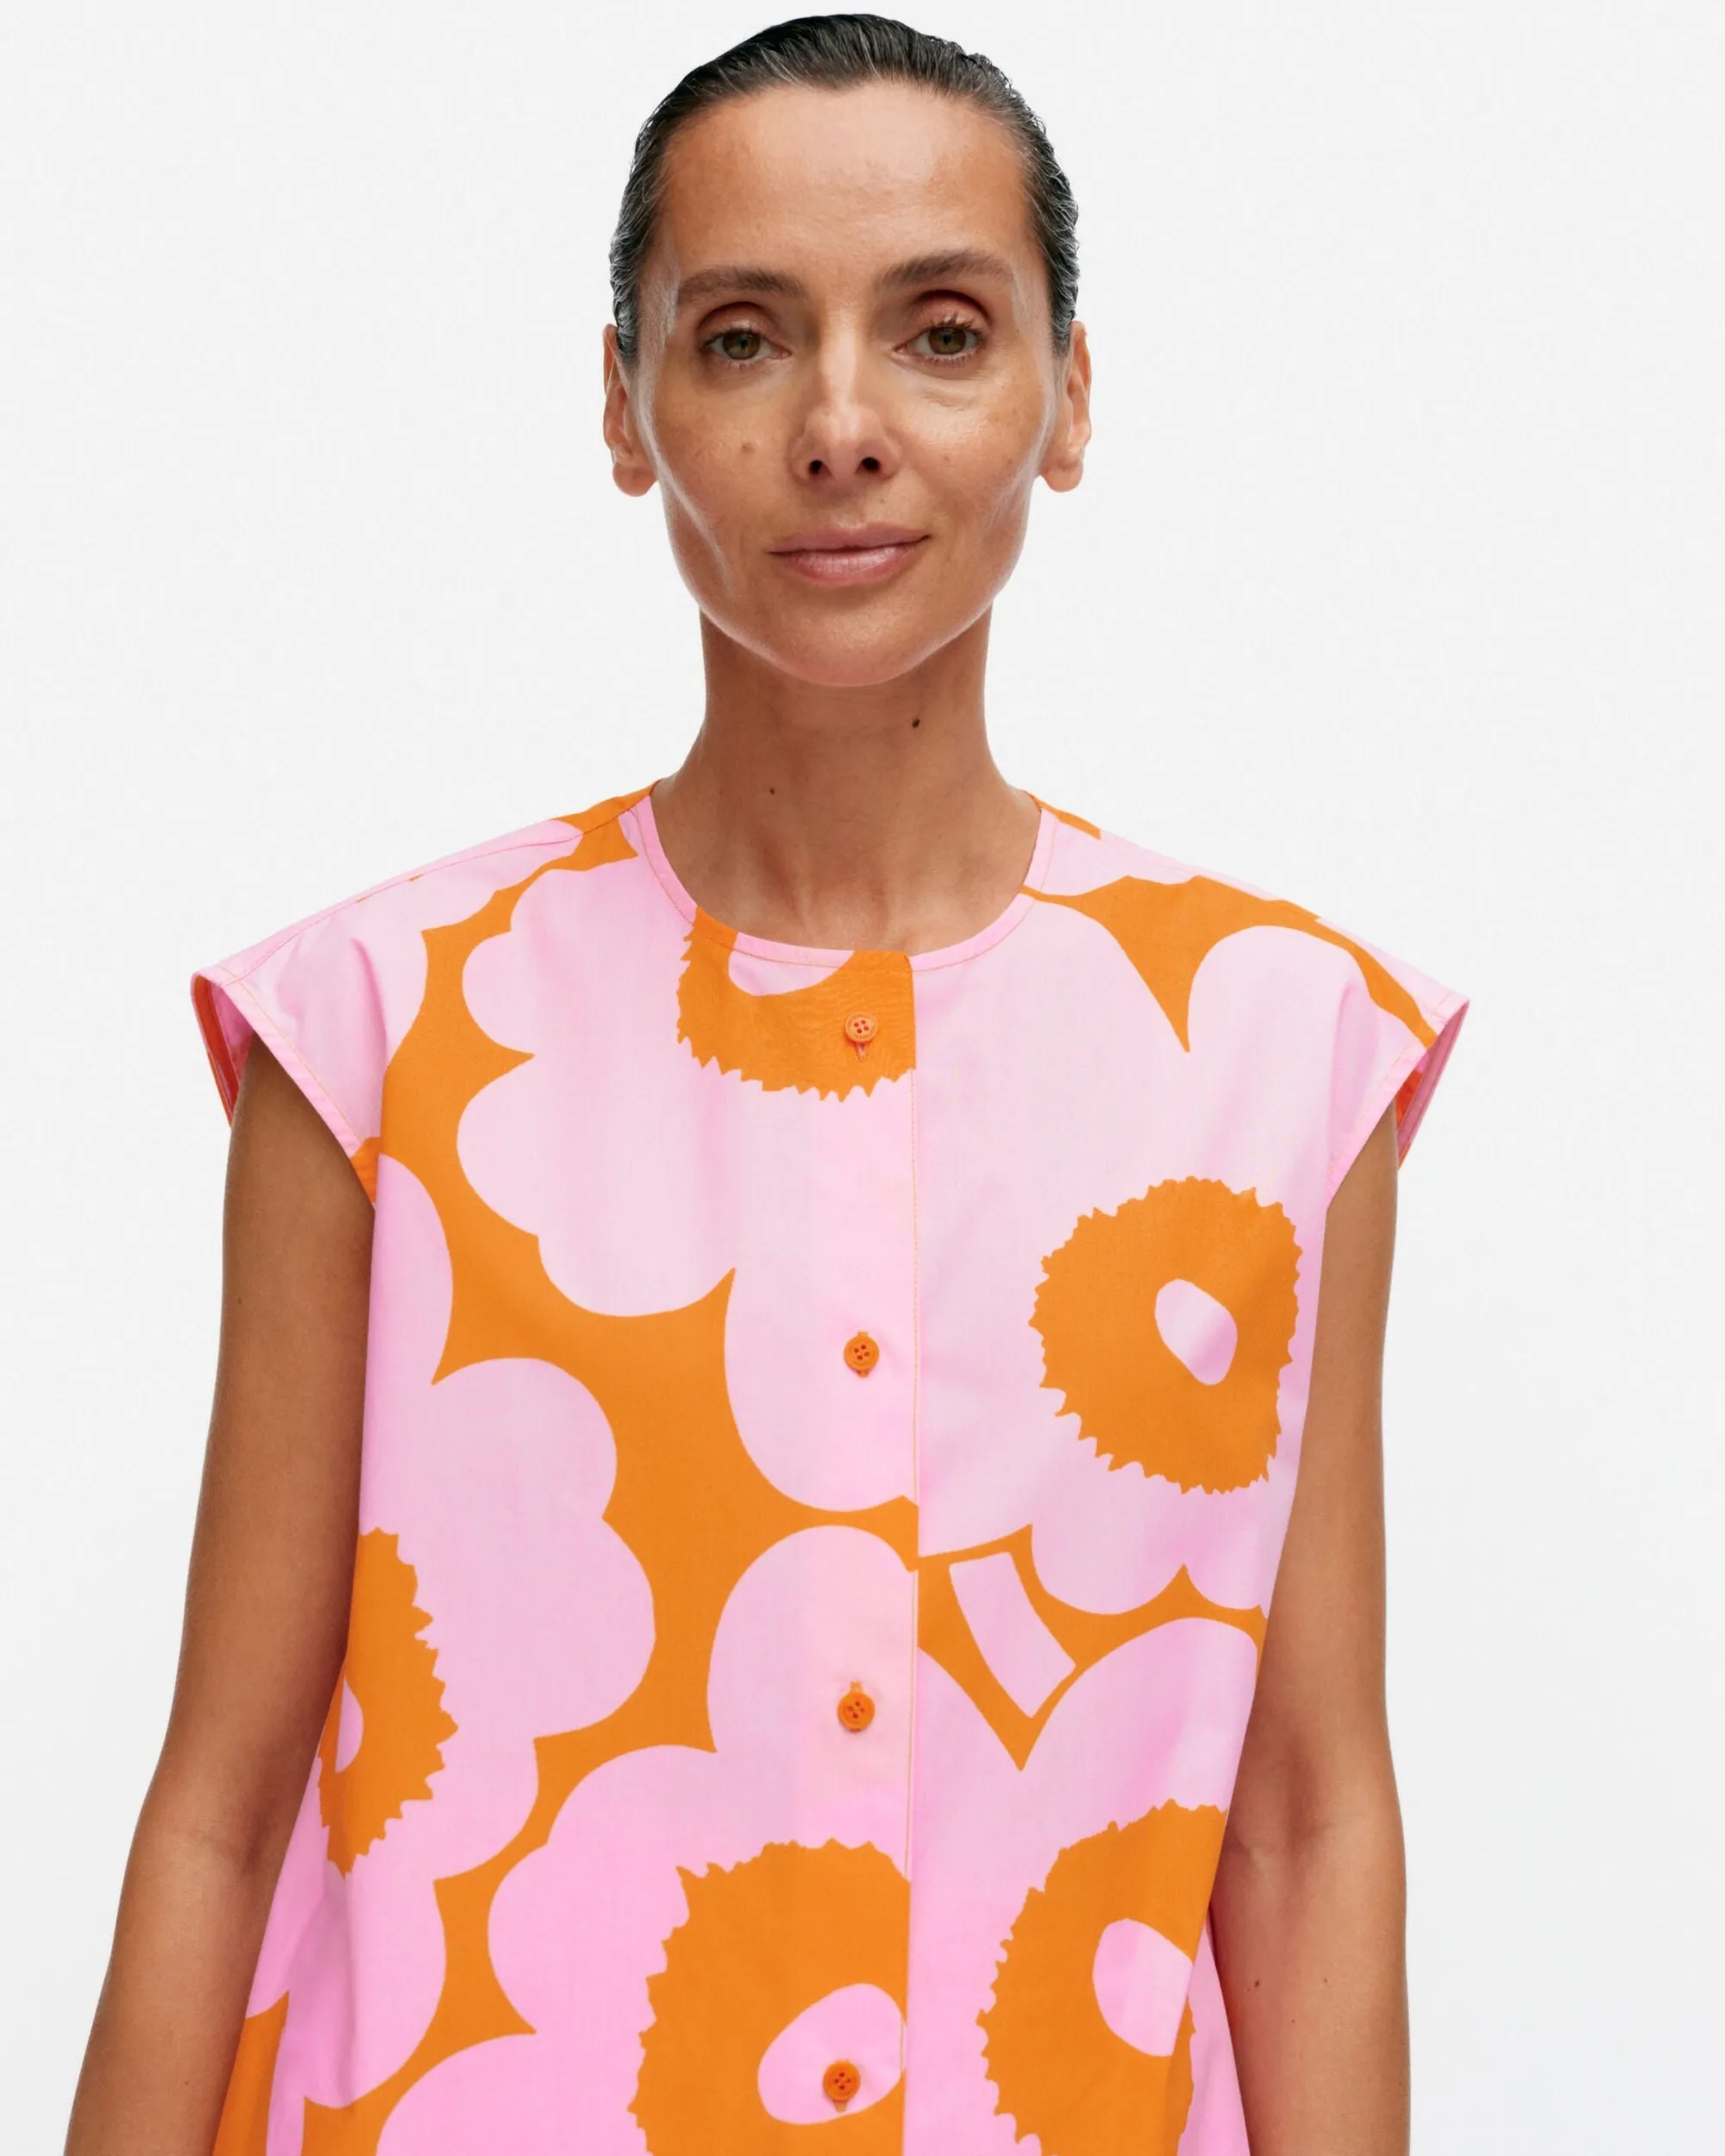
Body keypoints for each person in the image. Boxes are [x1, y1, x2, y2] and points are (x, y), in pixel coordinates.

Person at [66, 16, 1466, 2155]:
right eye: (739, 338)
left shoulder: (1282, 1045)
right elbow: (218, 1803)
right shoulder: (376, 1032)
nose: (839, 428)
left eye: (940, 332)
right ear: (622, 405)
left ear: (1070, 394)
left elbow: (1303, 1811)